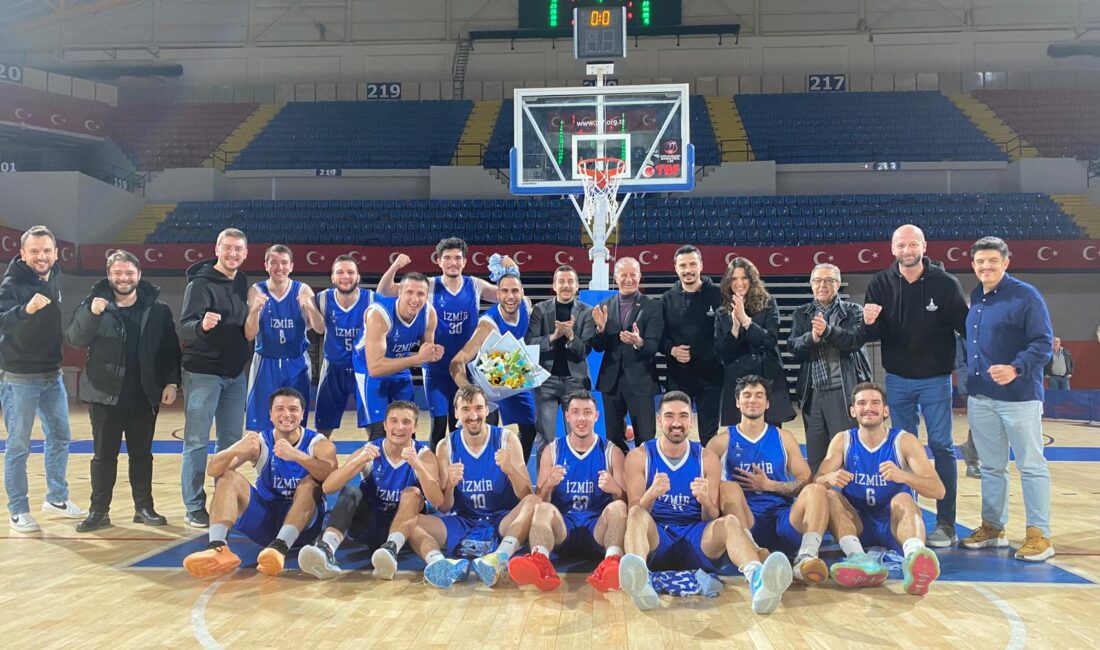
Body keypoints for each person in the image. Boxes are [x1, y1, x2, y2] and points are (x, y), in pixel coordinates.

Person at [618, 391, 793, 614]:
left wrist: (705, 501)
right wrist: (651, 494)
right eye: (669, 416)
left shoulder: (707, 458)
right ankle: (641, 582)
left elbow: (711, 516)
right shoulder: (640, 456)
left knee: (729, 522)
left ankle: (759, 582)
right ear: (659, 420)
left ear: (691, 421)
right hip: (657, 537)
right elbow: (635, 510)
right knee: (635, 515)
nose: (676, 423)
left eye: (683, 416)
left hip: (697, 537)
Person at [862, 224, 968, 547]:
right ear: (892, 248)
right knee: (903, 450)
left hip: (935, 379)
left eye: (912, 244)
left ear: (924, 246)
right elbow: (871, 335)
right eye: (901, 245)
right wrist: (867, 322)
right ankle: (910, 518)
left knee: (941, 446)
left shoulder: (946, 284)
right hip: (897, 380)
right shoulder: (879, 283)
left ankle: (946, 523)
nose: (907, 250)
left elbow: (966, 329)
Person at [65, 250, 181, 532]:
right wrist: (91, 314)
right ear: (109, 275)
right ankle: (98, 511)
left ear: (139, 275)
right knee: (103, 457)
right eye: (117, 273)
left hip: (144, 396)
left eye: (129, 273)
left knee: (142, 456)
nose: (123, 278)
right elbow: (75, 338)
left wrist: (171, 382)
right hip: (104, 396)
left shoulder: (158, 310)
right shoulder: (93, 305)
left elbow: (170, 350)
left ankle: (144, 508)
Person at [960, 237, 1055, 562]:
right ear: (973, 265)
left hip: (1019, 397)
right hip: (981, 397)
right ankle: (993, 528)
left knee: (1031, 466)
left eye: (992, 261)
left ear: (1006, 262)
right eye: (980, 262)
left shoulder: (1026, 295)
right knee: (991, 467)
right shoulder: (976, 296)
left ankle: (1039, 535)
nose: (986, 266)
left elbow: (1043, 343)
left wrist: (1016, 368)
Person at [182, 388, 337, 578]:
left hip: (306, 526)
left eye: (293, 409)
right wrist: (235, 448)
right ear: (270, 414)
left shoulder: (318, 443)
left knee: (310, 484)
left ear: (302, 414)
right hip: (267, 522)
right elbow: (213, 470)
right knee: (227, 477)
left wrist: (297, 456)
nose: (286, 414)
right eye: (279, 409)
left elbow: (331, 476)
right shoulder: (261, 442)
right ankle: (218, 547)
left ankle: (280, 547)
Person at [378, 240, 513, 448]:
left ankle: (468, 464)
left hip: (468, 369)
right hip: (437, 370)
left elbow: (508, 296)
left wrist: (512, 271)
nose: (453, 262)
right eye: (447, 258)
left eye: (458, 258)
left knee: (468, 424)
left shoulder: (475, 285)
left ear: (465, 261)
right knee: (439, 425)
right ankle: (436, 467)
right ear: (439, 261)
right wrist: (395, 265)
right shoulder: (429, 286)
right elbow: (383, 291)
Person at [815, 382, 945, 596]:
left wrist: (904, 476)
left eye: (875, 403)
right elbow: (815, 483)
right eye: (862, 403)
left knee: (903, 499)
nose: (868, 408)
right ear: (853, 411)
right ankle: (858, 558)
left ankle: (915, 560)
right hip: (857, 526)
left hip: (894, 527)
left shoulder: (904, 441)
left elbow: (938, 490)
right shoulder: (843, 440)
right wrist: (828, 478)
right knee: (829, 495)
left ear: (885, 410)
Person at [408, 385, 537, 589]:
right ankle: (440, 564)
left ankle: (499, 558)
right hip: (463, 521)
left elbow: (527, 495)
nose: (473, 415)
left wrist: (510, 470)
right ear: (456, 413)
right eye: (466, 409)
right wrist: (450, 485)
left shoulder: (506, 439)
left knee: (534, 502)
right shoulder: (446, 446)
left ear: (487, 409)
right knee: (411, 522)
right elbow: (444, 507)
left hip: (502, 520)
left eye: (478, 408)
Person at [297, 400, 443, 580]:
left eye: (406, 422)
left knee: (413, 493)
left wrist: (418, 465)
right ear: (385, 425)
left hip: (405, 530)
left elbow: (437, 501)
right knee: (351, 491)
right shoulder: (370, 450)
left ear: (415, 427)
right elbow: (328, 487)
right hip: (368, 526)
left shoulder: (424, 455)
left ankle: (391, 548)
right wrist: (357, 462)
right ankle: (326, 548)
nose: (399, 427)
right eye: (394, 421)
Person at [0, 225, 86, 532]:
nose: (41, 256)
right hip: (19, 378)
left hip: (52, 374)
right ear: (22, 253)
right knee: (18, 446)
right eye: (34, 251)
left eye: (47, 250)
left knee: (61, 437)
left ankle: (57, 498)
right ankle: (18, 510)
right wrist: (25, 310)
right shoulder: (12, 284)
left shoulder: (54, 275)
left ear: (55, 253)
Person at [706, 375, 830, 585]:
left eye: (759, 395)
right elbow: (707, 487)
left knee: (816, 490)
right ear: (737, 402)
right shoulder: (720, 442)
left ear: (767, 403)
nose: (752, 400)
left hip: (783, 520)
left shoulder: (784, 437)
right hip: (747, 521)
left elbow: (805, 480)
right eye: (747, 395)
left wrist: (770, 485)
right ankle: (753, 551)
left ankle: (806, 557)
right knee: (727, 487)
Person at [507, 390, 628, 592]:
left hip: (597, 530)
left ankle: (612, 562)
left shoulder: (611, 452)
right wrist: (548, 484)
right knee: (542, 508)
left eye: (587, 412)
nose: (581, 418)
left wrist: (615, 489)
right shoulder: (552, 451)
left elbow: (626, 502)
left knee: (619, 508)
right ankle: (540, 561)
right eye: (576, 412)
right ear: (567, 416)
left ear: (596, 416)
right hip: (563, 528)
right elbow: (539, 499)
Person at [177, 227, 251, 528]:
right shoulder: (199, 284)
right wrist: (201, 326)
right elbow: (184, 327)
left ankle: (224, 500)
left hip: (235, 374)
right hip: (203, 373)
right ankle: (194, 506)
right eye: (228, 247)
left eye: (238, 249)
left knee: (231, 443)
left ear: (245, 253)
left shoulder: (242, 281)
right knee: (197, 442)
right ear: (217, 249)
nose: (233, 253)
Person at [787, 263, 871, 472]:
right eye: (817, 280)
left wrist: (828, 331)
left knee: (846, 454)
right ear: (811, 285)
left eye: (828, 280)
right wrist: (812, 338)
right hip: (813, 395)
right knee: (816, 458)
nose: (822, 285)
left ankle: (848, 493)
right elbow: (793, 347)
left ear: (838, 284)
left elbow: (854, 340)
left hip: (843, 393)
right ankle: (818, 492)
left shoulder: (853, 311)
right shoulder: (801, 313)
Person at [448, 272, 538, 462]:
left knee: (530, 428)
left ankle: (516, 470)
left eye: (515, 291)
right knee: (487, 430)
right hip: (488, 381)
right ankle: (483, 470)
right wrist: (468, 390)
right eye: (504, 291)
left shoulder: (526, 305)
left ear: (522, 293)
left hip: (513, 374)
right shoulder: (488, 324)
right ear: (497, 295)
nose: (510, 296)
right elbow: (456, 362)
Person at [586, 257, 663, 452]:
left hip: (642, 381)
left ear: (640, 276)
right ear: (615, 277)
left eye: (633, 275)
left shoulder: (652, 306)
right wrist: (600, 330)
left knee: (645, 438)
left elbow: (654, 346)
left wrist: (639, 342)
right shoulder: (604, 305)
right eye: (623, 275)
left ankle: (644, 471)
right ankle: (619, 471)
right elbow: (598, 347)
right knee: (613, 439)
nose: (628, 279)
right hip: (611, 382)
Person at [244, 245, 325, 432]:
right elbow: (249, 334)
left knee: (295, 419)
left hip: (296, 362)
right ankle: (265, 452)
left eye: (284, 263)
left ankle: (293, 451)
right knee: (262, 421)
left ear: (291, 266)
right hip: (265, 362)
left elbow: (320, 328)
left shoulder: (302, 290)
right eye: (273, 262)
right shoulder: (256, 291)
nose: (279, 267)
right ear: (266, 265)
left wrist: (310, 308)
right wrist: (255, 310)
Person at [354, 271, 443, 439]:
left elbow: (425, 352)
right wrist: (417, 358)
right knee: (380, 430)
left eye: (420, 294)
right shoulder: (379, 314)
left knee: (407, 426)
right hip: (368, 366)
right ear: (399, 292)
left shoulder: (429, 314)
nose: (415, 299)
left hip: (400, 362)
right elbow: (375, 368)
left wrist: (433, 354)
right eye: (409, 292)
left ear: (426, 296)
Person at [715, 257, 795, 428]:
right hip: (737, 381)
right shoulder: (722, 311)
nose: (739, 283)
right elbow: (723, 353)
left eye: (744, 278)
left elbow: (770, 340)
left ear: (752, 279)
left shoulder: (768, 304)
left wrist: (746, 322)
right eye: (734, 279)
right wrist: (734, 329)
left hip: (766, 377)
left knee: (770, 432)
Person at [527, 264, 593, 458]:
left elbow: (584, 350)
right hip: (545, 381)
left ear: (577, 286)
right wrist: (554, 336)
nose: (566, 285)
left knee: (578, 437)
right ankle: (544, 477)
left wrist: (571, 335)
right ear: (554, 285)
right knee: (545, 439)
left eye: (570, 281)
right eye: (561, 281)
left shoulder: (587, 312)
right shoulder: (540, 310)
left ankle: (575, 475)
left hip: (575, 382)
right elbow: (530, 343)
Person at [661, 245, 725, 447]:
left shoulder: (718, 295)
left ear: (701, 265)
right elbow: (659, 337)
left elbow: (728, 334)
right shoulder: (666, 299)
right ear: (675, 268)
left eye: (692, 264)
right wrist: (672, 350)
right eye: (683, 265)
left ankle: (710, 465)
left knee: (709, 433)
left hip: (711, 376)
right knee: (676, 429)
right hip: (678, 376)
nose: (688, 270)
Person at [314, 255, 374, 437]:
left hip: (364, 367)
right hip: (333, 367)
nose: (345, 276)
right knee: (323, 427)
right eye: (340, 272)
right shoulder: (322, 299)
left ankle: (378, 455)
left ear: (358, 277)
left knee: (374, 425)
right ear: (332, 277)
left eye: (350, 272)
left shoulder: (372, 299)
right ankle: (319, 455)